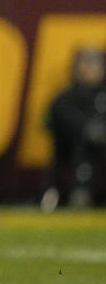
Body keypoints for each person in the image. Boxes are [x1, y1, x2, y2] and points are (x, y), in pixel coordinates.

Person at [43, 47, 106, 211]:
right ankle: (80, 193)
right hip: (75, 148)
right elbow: (50, 122)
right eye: (86, 64)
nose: (90, 70)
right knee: (84, 144)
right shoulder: (67, 96)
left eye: (95, 65)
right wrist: (87, 130)